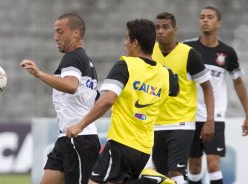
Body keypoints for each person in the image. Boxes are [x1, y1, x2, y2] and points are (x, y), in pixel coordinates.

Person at [66, 18, 179, 184]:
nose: (124, 43)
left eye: (126, 38)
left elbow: (108, 100)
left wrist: (80, 125)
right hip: (144, 149)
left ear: (135, 43)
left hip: (121, 143)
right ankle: (151, 179)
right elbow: (175, 91)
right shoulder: (165, 74)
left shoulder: (126, 65)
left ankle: (152, 181)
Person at [20, 13, 101, 184]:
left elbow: (71, 86)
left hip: (79, 140)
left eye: (60, 32)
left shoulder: (73, 57)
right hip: (67, 138)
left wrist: (39, 73)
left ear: (75, 33)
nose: (55, 37)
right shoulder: (86, 61)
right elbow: (96, 100)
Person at [183, 6, 248, 184]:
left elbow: (238, 82)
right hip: (189, 115)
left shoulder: (227, 53)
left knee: (213, 164)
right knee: (194, 166)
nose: (205, 20)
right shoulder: (187, 48)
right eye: (202, 17)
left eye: (210, 17)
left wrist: (247, 113)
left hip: (215, 115)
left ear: (218, 23)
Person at [151, 12, 215, 184]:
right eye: (157, 27)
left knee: (176, 173)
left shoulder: (189, 54)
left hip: (181, 124)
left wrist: (210, 119)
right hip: (154, 125)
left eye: (165, 27)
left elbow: (207, 88)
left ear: (175, 30)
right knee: (161, 175)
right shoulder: (149, 52)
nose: (160, 31)